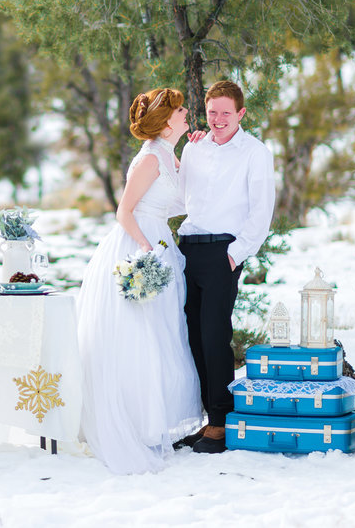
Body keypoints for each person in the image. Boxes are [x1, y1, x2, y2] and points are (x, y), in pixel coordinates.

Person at [76, 87, 203, 474]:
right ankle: (133, 424)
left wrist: (196, 152)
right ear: (166, 122)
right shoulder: (149, 158)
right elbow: (124, 211)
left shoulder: (169, 154)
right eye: (180, 110)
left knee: (163, 335)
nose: (186, 113)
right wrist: (147, 249)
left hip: (161, 243)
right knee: (139, 336)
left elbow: (185, 198)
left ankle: (153, 423)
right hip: (139, 246)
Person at [176, 79, 276, 454]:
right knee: (190, 336)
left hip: (223, 252)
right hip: (188, 249)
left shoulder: (255, 152)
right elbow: (181, 198)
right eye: (212, 112)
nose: (218, 120)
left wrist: (234, 255)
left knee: (214, 336)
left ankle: (221, 423)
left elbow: (261, 212)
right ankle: (205, 419)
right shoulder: (195, 149)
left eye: (226, 113)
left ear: (241, 114)